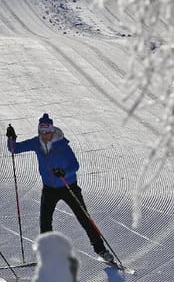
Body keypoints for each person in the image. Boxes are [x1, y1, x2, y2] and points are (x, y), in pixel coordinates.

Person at [6, 113, 115, 265]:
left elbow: (75, 165)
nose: (44, 136)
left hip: (68, 186)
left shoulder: (62, 145)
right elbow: (14, 149)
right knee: (45, 221)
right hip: (49, 188)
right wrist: (11, 138)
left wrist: (65, 172)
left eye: (46, 132)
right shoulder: (36, 143)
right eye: (41, 133)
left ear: (52, 131)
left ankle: (101, 250)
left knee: (84, 218)